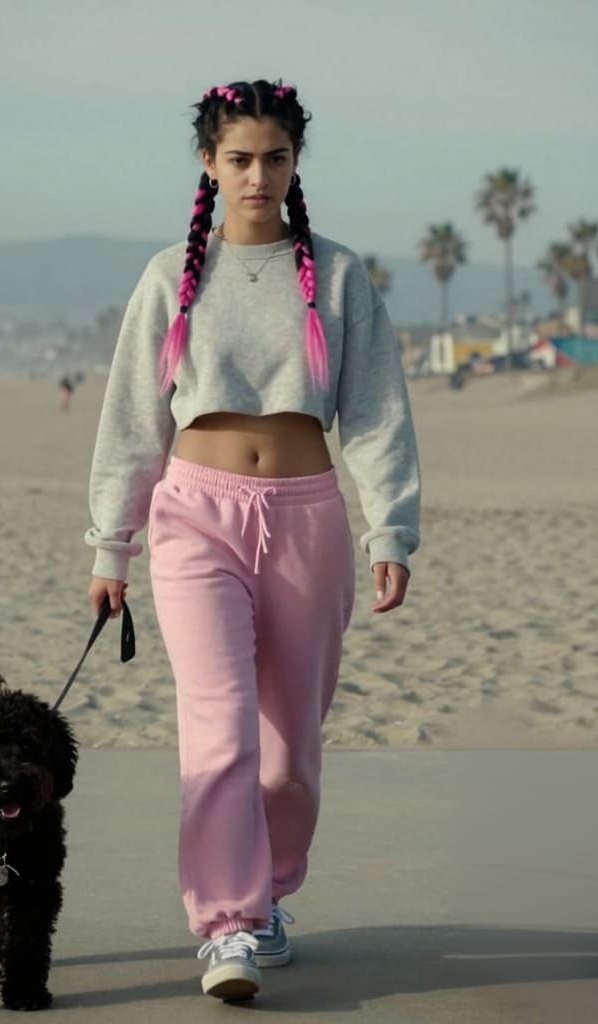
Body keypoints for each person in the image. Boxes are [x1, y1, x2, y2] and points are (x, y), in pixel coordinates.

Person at [84, 79, 421, 1003]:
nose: (257, 176)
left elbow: (379, 415)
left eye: (274, 158)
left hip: (308, 516)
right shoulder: (170, 277)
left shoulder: (340, 276)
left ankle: (270, 898)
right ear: (209, 164)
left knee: (290, 753)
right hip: (193, 515)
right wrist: (111, 545)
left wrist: (391, 526)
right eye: (239, 159)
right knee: (220, 728)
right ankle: (226, 925)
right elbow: (130, 420)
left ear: (294, 163)